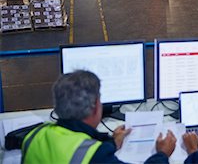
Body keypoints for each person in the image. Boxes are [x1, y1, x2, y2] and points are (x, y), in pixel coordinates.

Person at [21, 70, 176, 163]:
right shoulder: (96, 155)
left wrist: (112, 143)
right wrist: (162, 154)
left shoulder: (34, 136)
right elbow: (89, 154)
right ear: (95, 107)